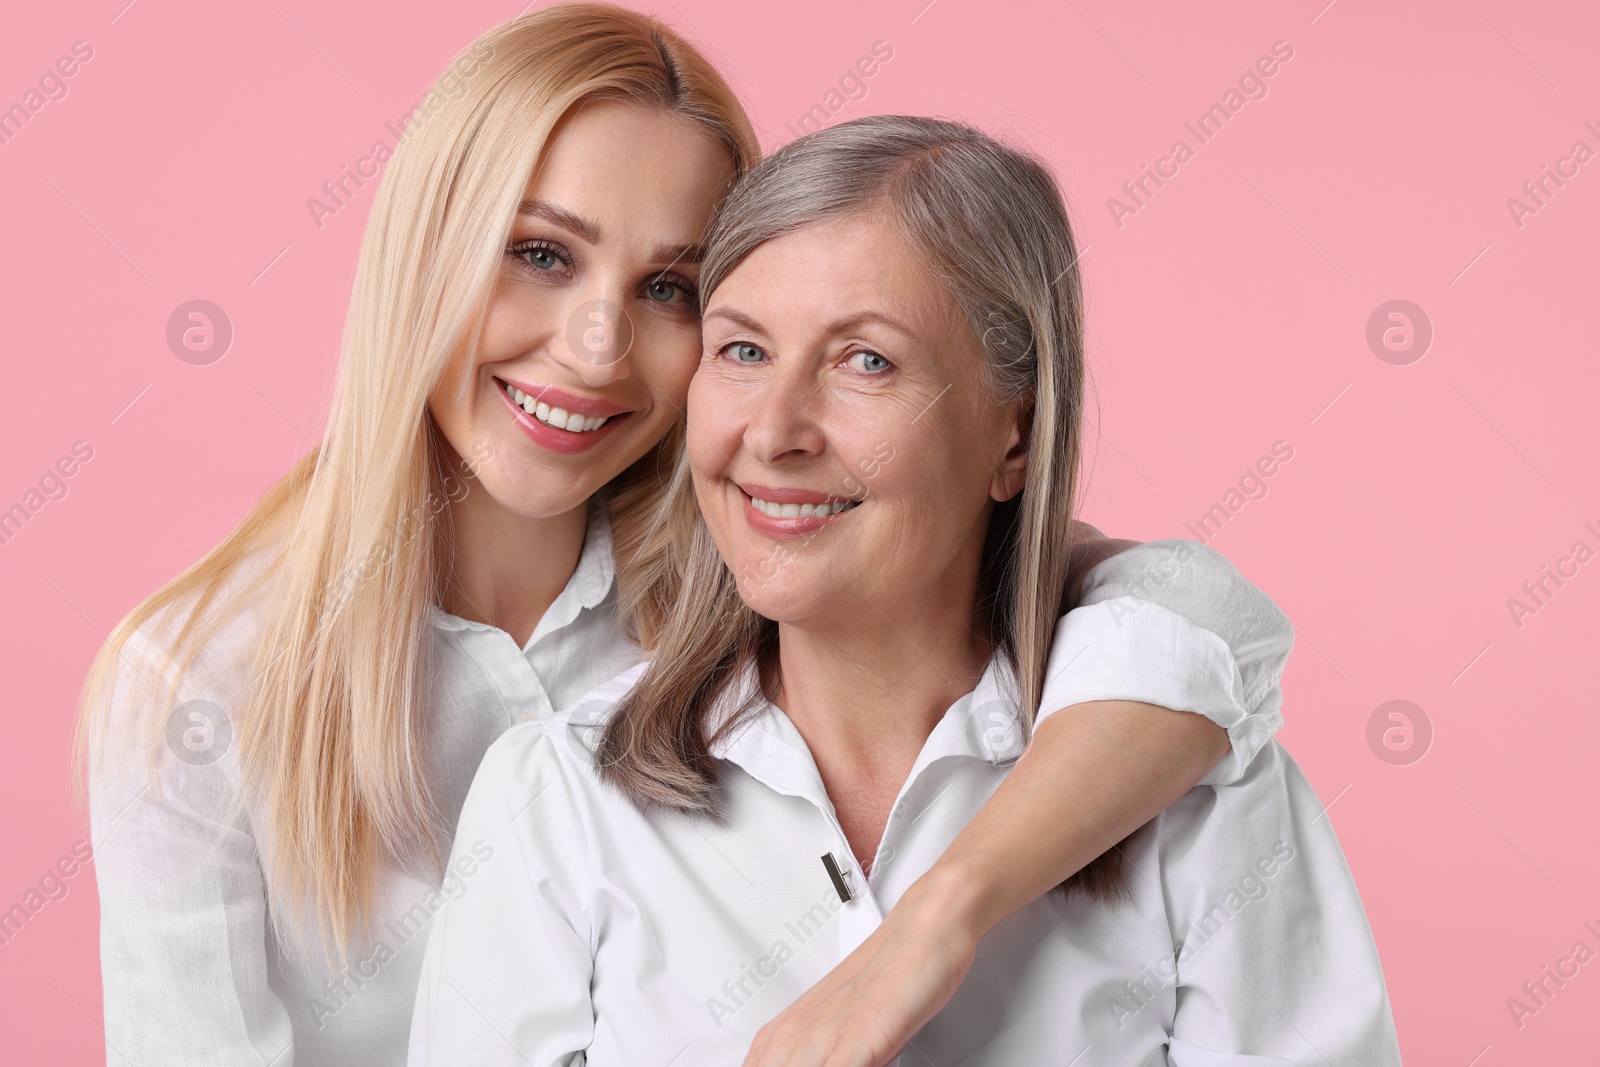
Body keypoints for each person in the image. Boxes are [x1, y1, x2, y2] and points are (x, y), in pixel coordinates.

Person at [79, 8, 1291, 1066]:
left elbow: (1198, 624)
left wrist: (940, 915)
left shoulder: (774, 567)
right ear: (422, 253)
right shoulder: (195, 688)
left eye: (670, 289)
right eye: (539, 255)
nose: (596, 347)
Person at [408, 114, 1400, 1065]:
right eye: (743, 351)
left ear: (1012, 435)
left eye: (865, 361)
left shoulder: (1195, 795)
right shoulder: (560, 798)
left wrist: (935, 923)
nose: (775, 430)